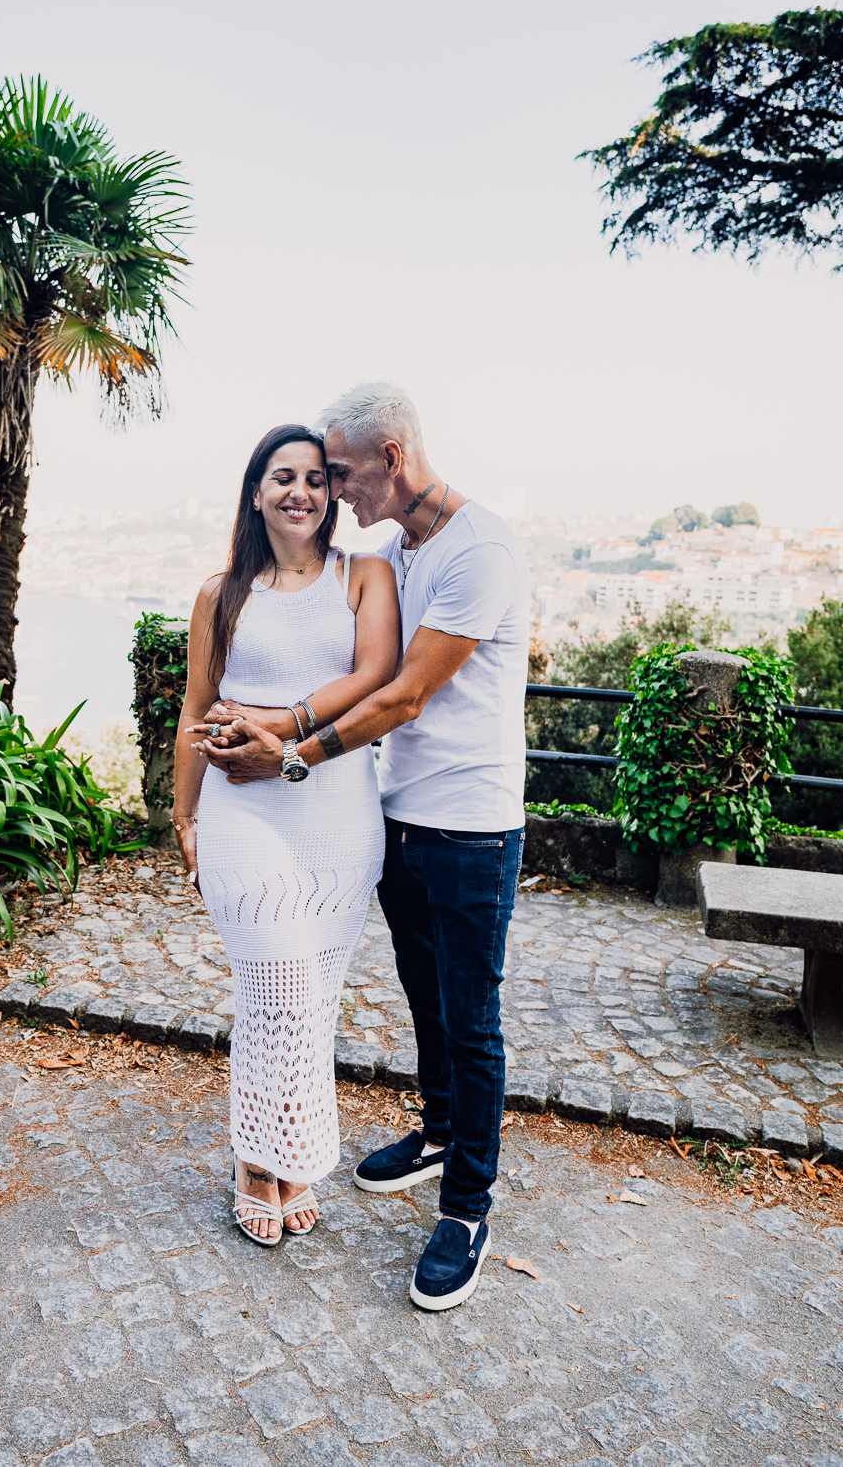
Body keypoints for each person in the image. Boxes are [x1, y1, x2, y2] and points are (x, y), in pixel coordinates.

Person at [201, 384, 529, 1310]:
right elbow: (329, 636)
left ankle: (467, 1206)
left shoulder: (480, 550)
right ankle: (434, 1136)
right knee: (426, 1003)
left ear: (390, 458)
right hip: (395, 815)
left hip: (471, 822)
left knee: (472, 1020)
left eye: (339, 471)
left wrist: (288, 756)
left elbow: (399, 695)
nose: (331, 491)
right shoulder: (391, 549)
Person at [173, 423, 401, 1246]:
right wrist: (184, 815)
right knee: (280, 984)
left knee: (312, 995)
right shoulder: (221, 591)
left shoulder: (363, 576)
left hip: (338, 815)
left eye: (314, 477)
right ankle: (262, 1157)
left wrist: (280, 724)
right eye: (282, 477)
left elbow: (373, 676)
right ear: (256, 492)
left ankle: (280, 1150)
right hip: (242, 812)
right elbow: (196, 710)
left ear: (332, 492)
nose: (300, 492)